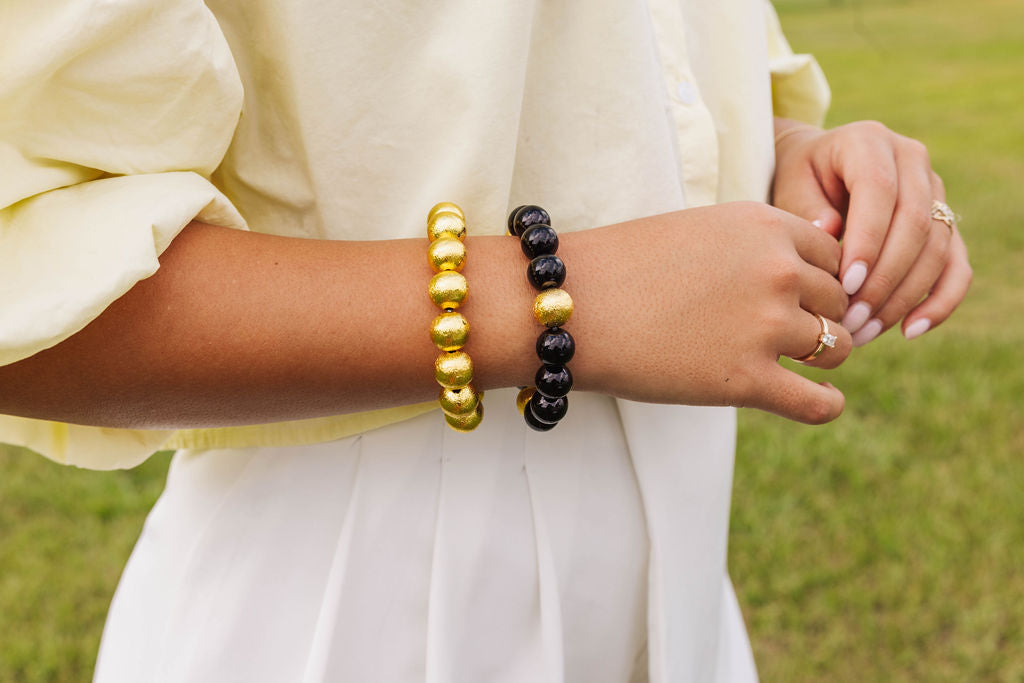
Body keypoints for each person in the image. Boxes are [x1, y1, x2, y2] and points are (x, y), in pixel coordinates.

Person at [0, 0, 970, 681]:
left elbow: (632, 68)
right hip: (351, 607)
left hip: (680, 597)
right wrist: (561, 300)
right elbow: (29, 278)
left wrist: (796, 154)